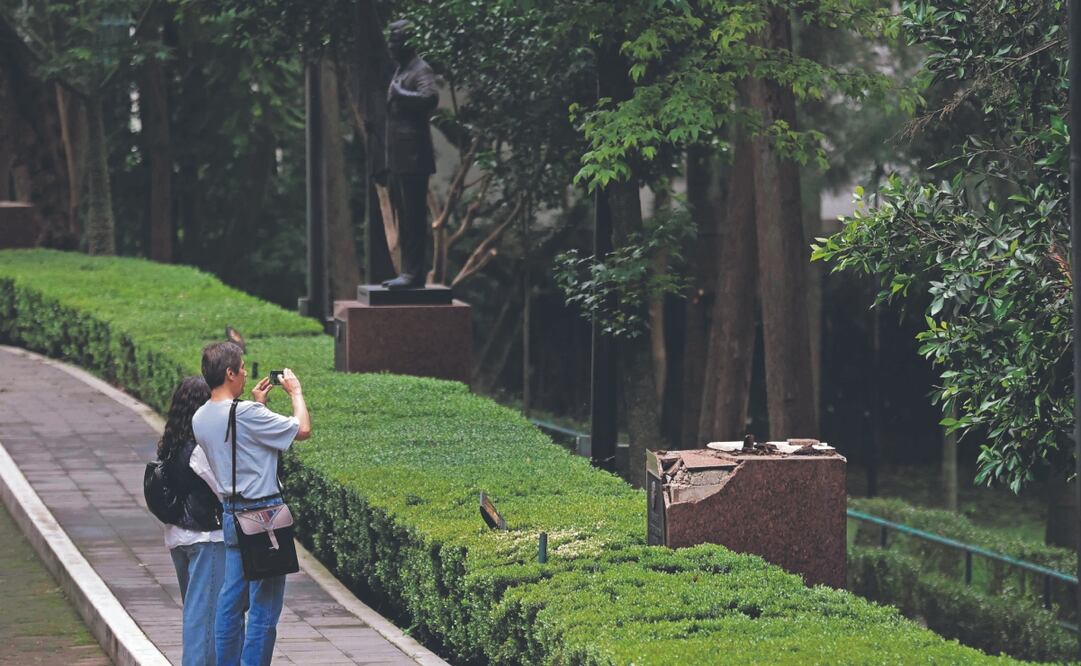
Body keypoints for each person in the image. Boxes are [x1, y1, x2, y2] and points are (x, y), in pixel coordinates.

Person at [192, 342, 312, 666]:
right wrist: (295, 393)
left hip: (231, 512)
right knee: (265, 606)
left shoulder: (200, 417)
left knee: (231, 601)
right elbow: (302, 429)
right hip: (265, 515)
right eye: (242, 368)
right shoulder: (246, 414)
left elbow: (237, 445)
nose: (245, 373)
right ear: (229, 373)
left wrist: (258, 404)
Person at [159, 376, 225, 666]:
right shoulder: (199, 450)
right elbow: (224, 490)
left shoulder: (169, 444)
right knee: (204, 619)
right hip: (205, 540)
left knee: (197, 612)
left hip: (177, 538)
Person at [382, 18, 439, 290]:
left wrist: (400, 93)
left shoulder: (420, 69)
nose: (390, 48)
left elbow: (430, 99)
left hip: (414, 156)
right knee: (404, 217)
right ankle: (407, 271)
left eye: (394, 42)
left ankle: (414, 274)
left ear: (407, 44)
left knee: (414, 217)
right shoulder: (402, 69)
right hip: (400, 156)